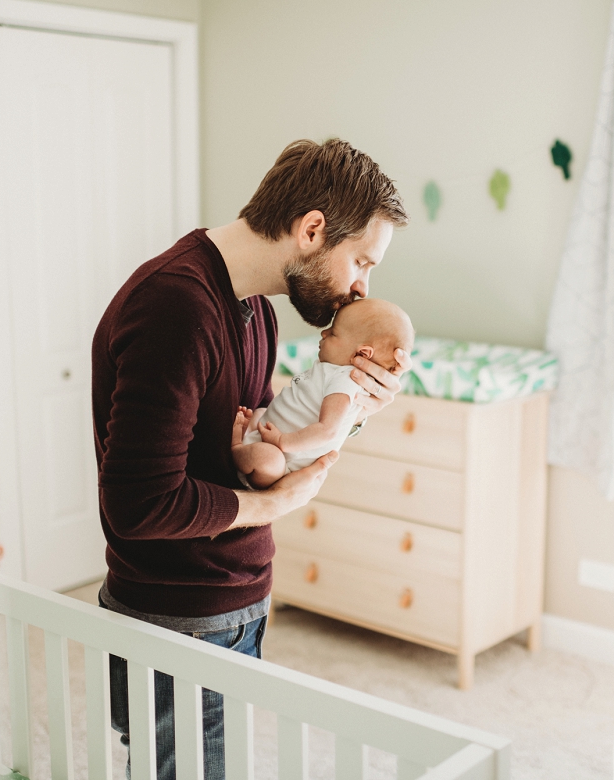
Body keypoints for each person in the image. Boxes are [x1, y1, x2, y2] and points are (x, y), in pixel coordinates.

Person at [90, 138, 410, 779]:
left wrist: (350, 414)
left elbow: (249, 449)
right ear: (313, 230)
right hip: (179, 619)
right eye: (361, 262)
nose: (361, 288)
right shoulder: (176, 306)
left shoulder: (252, 309)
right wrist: (275, 503)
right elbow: (139, 504)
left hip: (228, 599)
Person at [232, 298, 414, 489]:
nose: (324, 333)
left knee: (267, 458)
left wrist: (282, 441)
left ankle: (236, 447)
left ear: (362, 354)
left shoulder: (345, 380)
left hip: (281, 463)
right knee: (260, 412)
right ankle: (248, 440)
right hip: (271, 439)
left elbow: (328, 430)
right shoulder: (333, 371)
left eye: (333, 333)